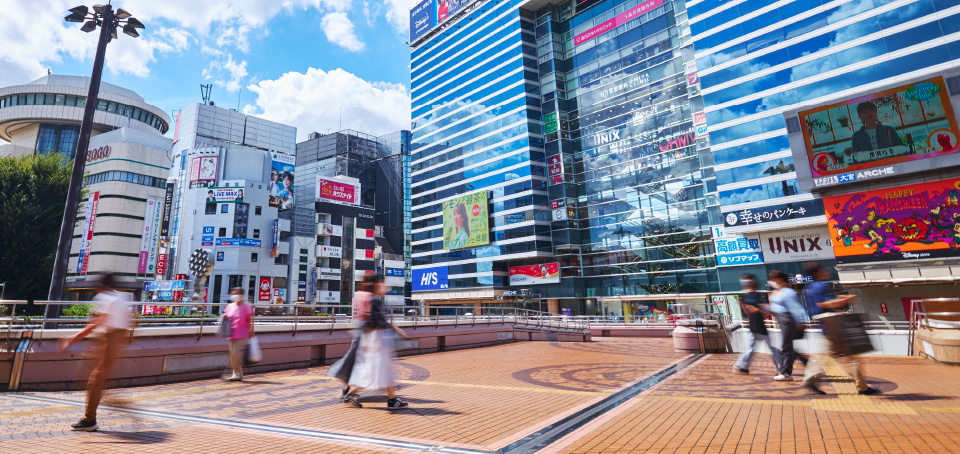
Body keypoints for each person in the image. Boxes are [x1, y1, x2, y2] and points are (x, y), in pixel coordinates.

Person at [57, 273, 133, 432]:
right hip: (115, 339)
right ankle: (99, 409)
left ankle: (89, 419)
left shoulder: (105, 298)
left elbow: (95, 324)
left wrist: (72, 340)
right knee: (96, 378)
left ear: (100, 287)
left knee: (95, 379)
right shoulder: (120, 298)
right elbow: (129, 321)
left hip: (109, 339)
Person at [802, 262, 878, 395]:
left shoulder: (808, 288)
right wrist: (845, 300)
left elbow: (824, 302)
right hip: (832, 324)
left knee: (829, 356)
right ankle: (862, 387)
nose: (826, 271)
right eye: (823, 269)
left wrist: (840, 303)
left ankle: (811, 379)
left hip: (823, 324)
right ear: (817, 273)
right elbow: (824, 303)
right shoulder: (822, 285)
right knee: (849, 355)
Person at [342, 274, 409, 409]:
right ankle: (353, 394)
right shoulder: (372, 300)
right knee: (376, 371)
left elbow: (372, 321)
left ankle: (392, 399)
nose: (385, 285)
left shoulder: (370, 298)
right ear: (377, 284)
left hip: (374, 339)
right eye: (382, 283)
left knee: (380, 371)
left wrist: (394, 329)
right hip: (376, 340)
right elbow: (373, 322)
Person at [732, 274, 782, 374]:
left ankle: (781, 367)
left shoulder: (755, 295)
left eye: (748, 280)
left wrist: (756, 309)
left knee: (764, 348)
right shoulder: (748, 295)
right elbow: (749, 309)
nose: (746, 282)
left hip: (758, 325)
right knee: (752, 348)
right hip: (755, 325)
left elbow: (761, 308)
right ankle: (742, 366)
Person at [767, 270, 808, 381]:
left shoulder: (788, 292)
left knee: (786, 347)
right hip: (781, 320)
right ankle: (807, 364)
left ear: (779, 280)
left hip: (787, 320)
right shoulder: (776, 291)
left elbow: (796, 307)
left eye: (772, 280)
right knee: (787, 347)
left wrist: (801, 321)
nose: (770, 282)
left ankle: (786, 372)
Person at [223, 288, 254, 382]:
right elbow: (226, 315)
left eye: (236, 294)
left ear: (241, 295)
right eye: (233, 294)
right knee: (232, 354)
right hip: (231, 333)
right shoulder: (230, 306)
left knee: (235, 352)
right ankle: (236, 373)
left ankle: (237, 373)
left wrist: (251, 331)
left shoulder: (246, 306)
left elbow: (250, 319)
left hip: (242, 333)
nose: (234, 296)